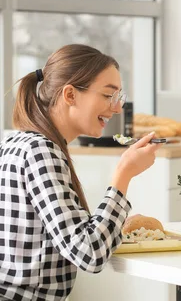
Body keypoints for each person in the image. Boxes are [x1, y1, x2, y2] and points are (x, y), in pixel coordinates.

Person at [0, 45, 161, 300]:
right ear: (71, 95)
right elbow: (89, 253)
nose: (116, 108)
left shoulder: (14, 142)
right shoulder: (41, 151)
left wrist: (117, 224)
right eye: (109, 95)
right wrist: (123, 174)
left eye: (119, 96)